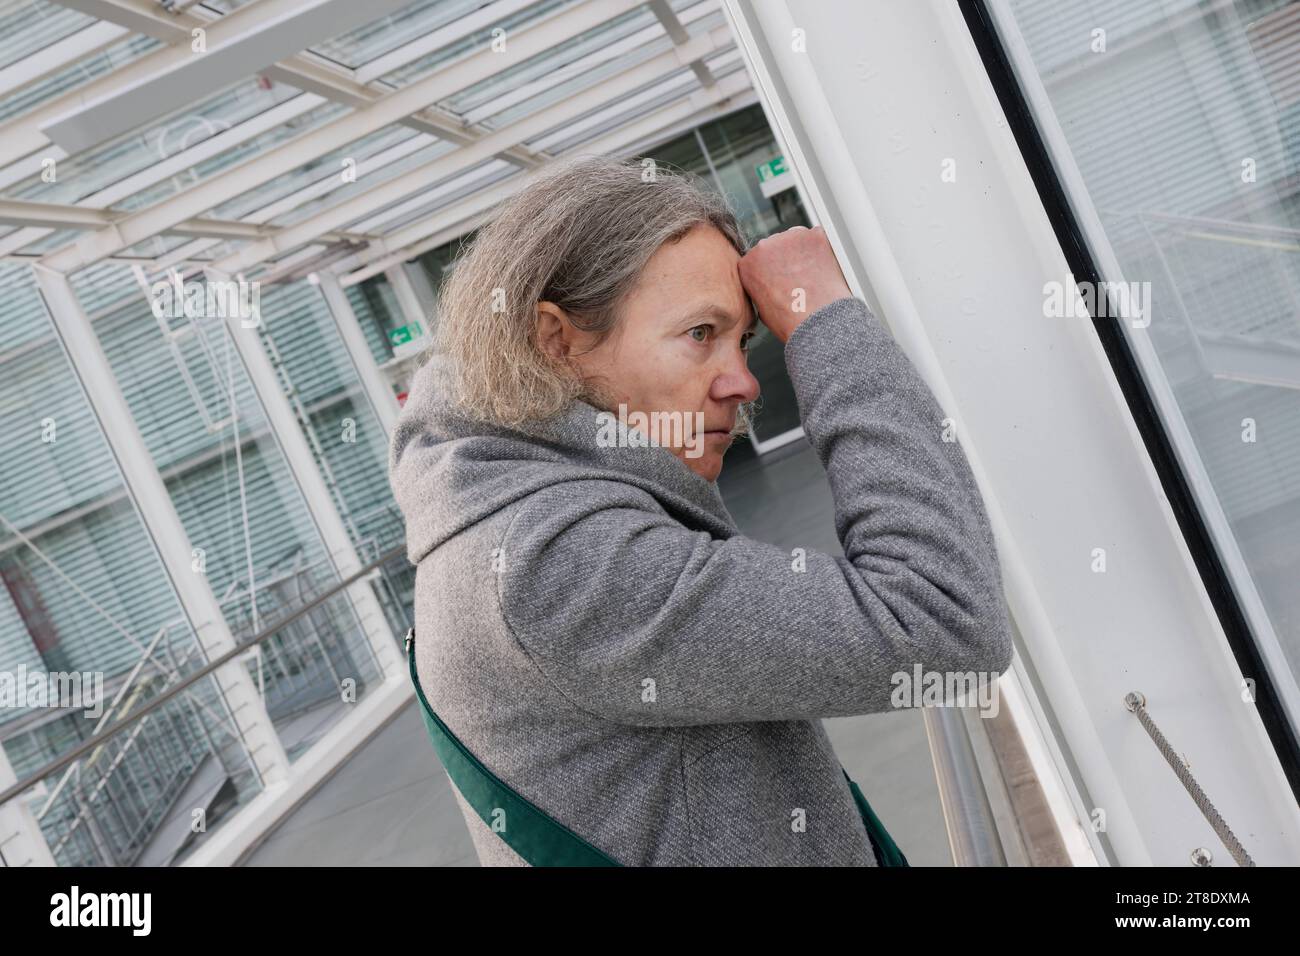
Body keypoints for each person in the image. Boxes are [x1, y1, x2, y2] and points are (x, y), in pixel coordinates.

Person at [388, 153, 1013, 866]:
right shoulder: (554, 561)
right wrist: (826, 322)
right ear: (555, 341)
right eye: (699, 335)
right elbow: (941, 617)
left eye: (742, 339)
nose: (745, 381)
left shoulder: (492, 515)